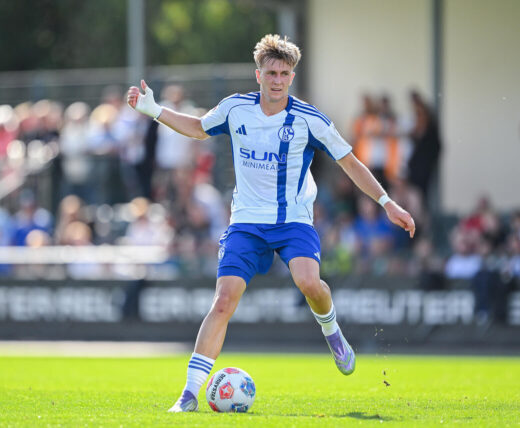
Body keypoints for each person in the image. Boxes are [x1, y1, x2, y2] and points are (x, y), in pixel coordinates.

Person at [127, 34, 415, 413]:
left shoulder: (309, 119)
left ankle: (332, 332)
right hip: (246, 222)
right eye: (271, 73)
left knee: (309, 283)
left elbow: (349, 161)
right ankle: (189, 395)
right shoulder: (236, 108)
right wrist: (154, 110)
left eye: (284, 74)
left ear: (292, 77)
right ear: (258, 74)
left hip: (292, 220)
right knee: (223, 300)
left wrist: (387, 202)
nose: (277, 80)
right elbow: (198, 127)